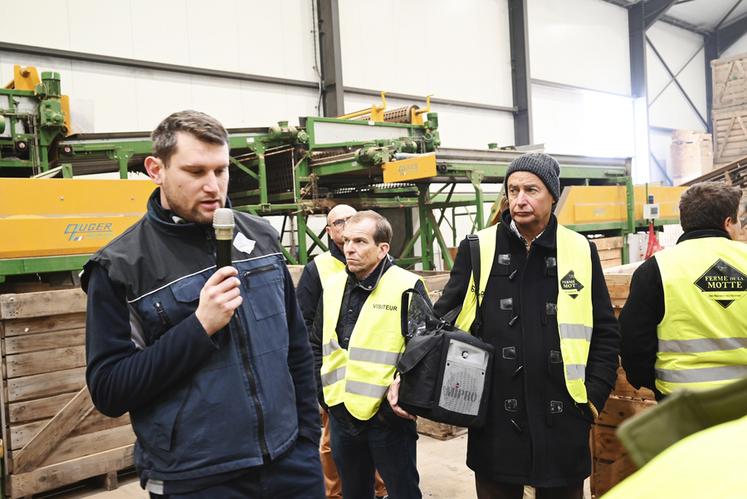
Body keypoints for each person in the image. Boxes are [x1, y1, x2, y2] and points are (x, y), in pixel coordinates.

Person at [83, 110, 323, 498]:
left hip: (290, 465)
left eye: (221, 170)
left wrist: (306, 440)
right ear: (155, 169)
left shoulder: (260, 238)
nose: (214, 186)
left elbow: (295, 347)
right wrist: (199, 327)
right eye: (196, 172)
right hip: (197, 479)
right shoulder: (120, 268)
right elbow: (110, 389)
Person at [434, 153, 620, 499]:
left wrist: (592, 397)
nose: (520, 199)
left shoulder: (579, 250)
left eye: (531, 189)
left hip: (565, 415)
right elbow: (441, 322)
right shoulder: (479, 248)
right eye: (513, 189)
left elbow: (606, 331)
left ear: (552, 194)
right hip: (495, 421)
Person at [310, 211, 428, 499]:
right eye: (347, 240)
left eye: (360, 241)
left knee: (403, 492)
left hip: (387, 420)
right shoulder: (334, 286)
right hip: (341, 414)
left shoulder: (406, 286)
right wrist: (325, 396)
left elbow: (424, 350)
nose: (349, 248)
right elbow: (316, 343)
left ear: (382, 248)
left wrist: (396, 406)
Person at [620, 182, 747, 399]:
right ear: (727, 223)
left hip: (681, 405)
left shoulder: (655, 269)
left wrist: (654, 384)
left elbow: (633, 342)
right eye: (739, 222)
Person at [297, 204, 389, 499]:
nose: (347, 228)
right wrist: (318, 384)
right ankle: (335, 494)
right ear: (329, 231)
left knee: (380, 446)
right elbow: (305, 323)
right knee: (331, 445)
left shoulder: (383, 264)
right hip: (335, 382)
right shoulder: (319, 269)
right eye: (340, 223)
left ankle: (381, 490)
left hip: (376, 381)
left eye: (352, 221)